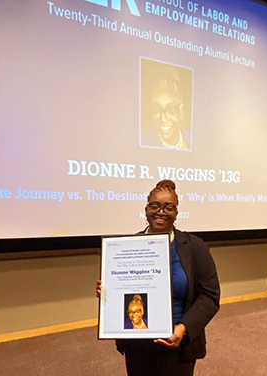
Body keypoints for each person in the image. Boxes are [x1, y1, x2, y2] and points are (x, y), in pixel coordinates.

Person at [96, 179, 220, 376]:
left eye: (168, 207)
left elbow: (210, 297)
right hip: (138, 343)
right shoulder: (126, 247)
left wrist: (183, 328)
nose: (161, 212)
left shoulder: (195, 247)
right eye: (155, 206)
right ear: (146, 209)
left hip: (177, 343)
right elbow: (123, 293)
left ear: (176, 213)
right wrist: (108, 291)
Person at [141, 64, 192, 151]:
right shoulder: (143, 139)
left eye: (171, 110)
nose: (163, 119)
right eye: (156, 109)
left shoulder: (191, 139)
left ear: (182, 110)